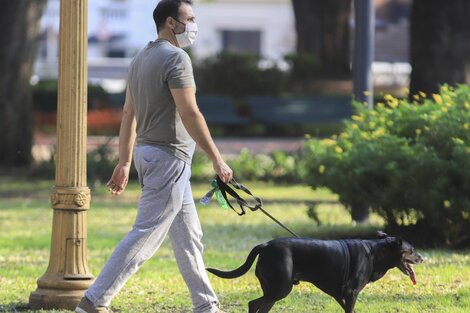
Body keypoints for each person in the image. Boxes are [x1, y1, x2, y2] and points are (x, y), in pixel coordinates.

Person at [75, 1, 232, 312]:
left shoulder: (140, 59)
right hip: (168, 159)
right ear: (171, 23)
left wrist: (124, 162)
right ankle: (95, 300)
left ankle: (206, 305)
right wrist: (217, 158)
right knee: (146, 235)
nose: (194, 25)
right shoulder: (177, 58)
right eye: (190, 19)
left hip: (151, 157)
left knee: (189, 237)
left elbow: (128, 114)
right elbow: (190, 113)